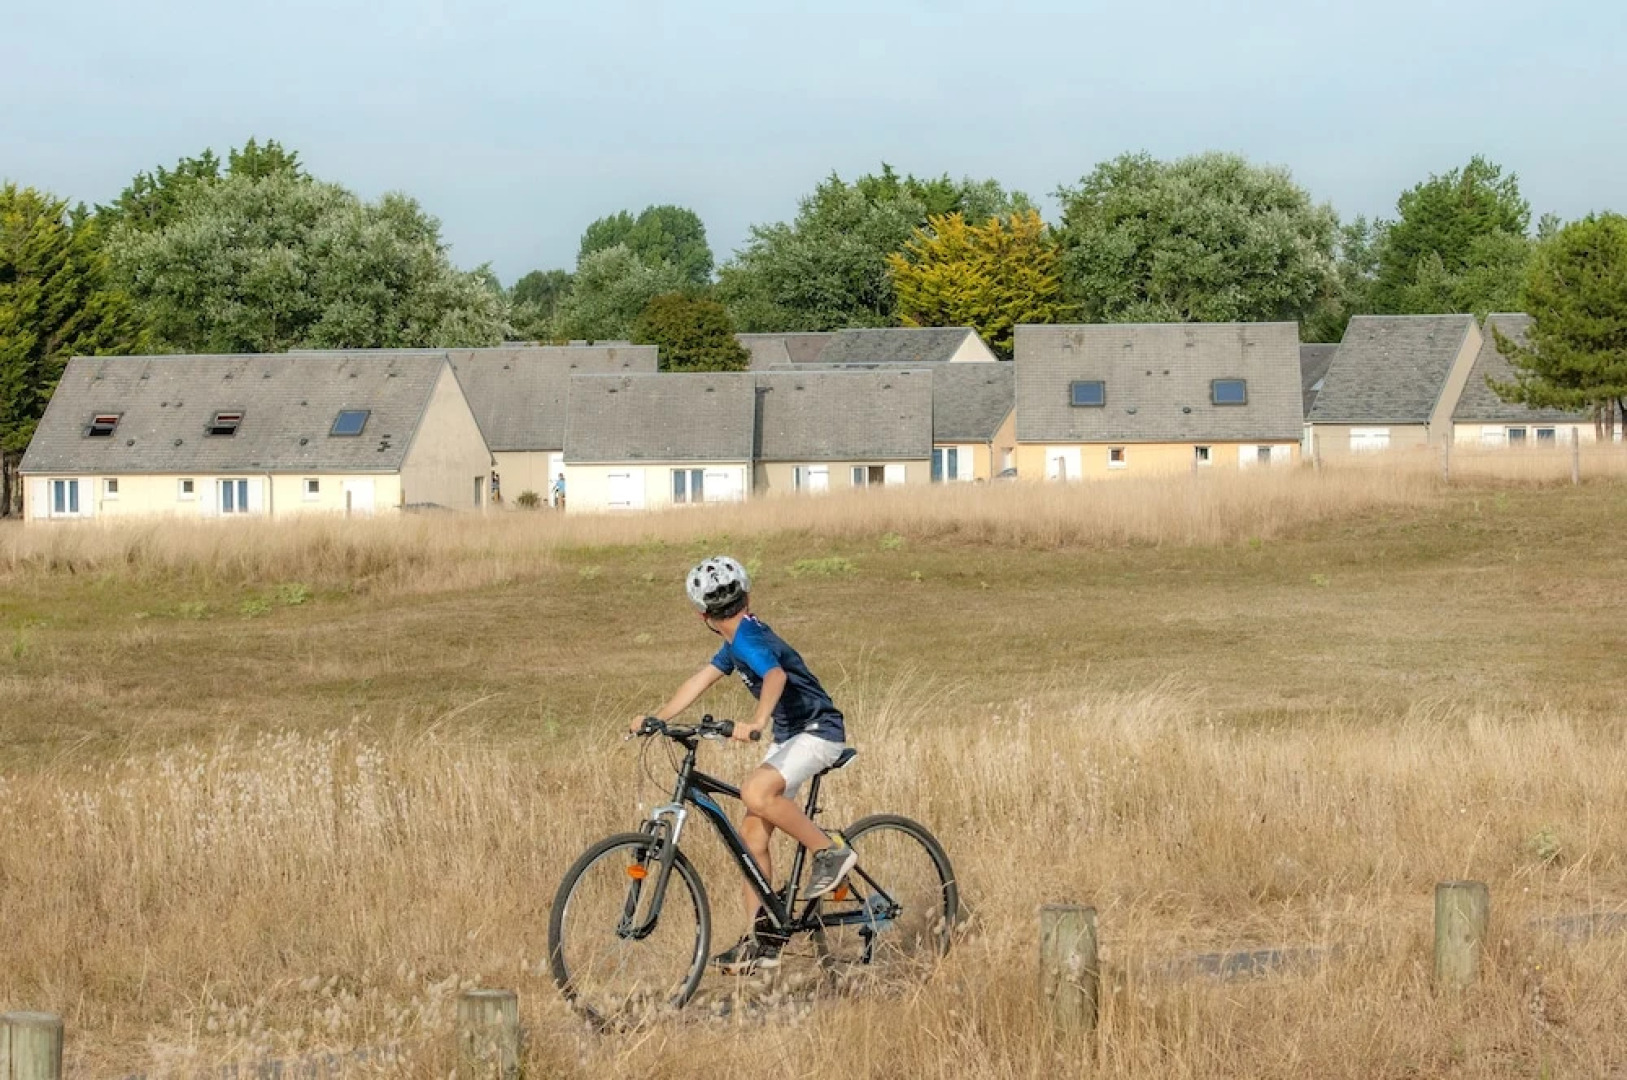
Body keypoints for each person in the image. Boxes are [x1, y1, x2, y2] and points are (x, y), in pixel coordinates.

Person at [631, 556, 856, 975]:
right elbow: (700, 680)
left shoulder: (748, 638)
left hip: (818, 732)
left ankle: (830, 850)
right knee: (752, 834)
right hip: (793, 737)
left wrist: (756, 722)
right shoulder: (736, 643)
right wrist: (657, 718)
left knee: (755, 791)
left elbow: (775, 676)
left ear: (702, 616)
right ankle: (761, 941)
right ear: (747, 596)